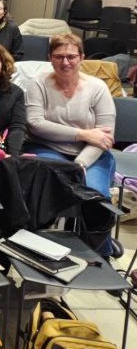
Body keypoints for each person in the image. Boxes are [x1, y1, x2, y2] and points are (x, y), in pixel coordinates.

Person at [25, 34, 116, 255]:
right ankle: (43, 249)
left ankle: (100, 254)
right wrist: (83, 133)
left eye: (71, 56)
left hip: (92, 154)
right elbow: (35, 124)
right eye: (59, 56)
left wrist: (81, 162)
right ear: (50, 58)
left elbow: (104, 136)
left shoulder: (97, 87)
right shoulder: (38, 83)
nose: (65, 62)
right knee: (50, 190)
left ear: (82, 57)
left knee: (95, 196)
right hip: (47, 148)